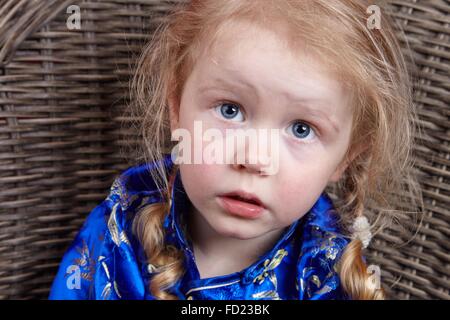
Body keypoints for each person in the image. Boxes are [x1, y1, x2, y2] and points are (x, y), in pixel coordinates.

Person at [49, 0, 423, 300]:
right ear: (176, 106)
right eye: (230, 110)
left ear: (345, 158)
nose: (253, 159)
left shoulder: (328, 277)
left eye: (302, 129)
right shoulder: (122, 229)